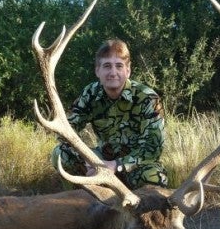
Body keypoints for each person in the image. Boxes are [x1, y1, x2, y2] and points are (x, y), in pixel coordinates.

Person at [51, 39, 168, 189]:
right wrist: (88, 159)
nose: (113, 72)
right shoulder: (90, 93)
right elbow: (66, 130)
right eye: (107, 66)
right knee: (60, 154)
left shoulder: (147, 99)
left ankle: (137, 210)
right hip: (100, 162)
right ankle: (80, 200)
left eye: (119, 66)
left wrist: (117, 165)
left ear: (128, 69)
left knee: (155, 178)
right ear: (97, 71)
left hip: (134, 166)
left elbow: (153, 150)